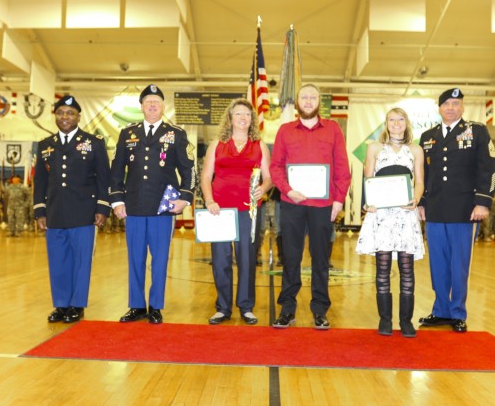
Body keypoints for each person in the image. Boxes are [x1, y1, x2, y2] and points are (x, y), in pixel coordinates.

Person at [110, 84, 196, 324]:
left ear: (163, 106)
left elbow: (188, 169)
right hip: (134, 206)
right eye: (147, 101)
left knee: (160, 259)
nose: (152, 105)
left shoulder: (176, 133)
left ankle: (156, 306)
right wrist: (117, 200)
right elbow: (116, 169)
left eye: (156, 101)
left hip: (163, 208)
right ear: (141, 106)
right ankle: (136, 306)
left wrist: (185, 198)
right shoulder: (128, 134)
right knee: (135, 258)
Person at [269, 84, 351, 330]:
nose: (308, 100)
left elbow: (342, 168)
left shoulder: (333, 129)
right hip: (292, 204)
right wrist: (288, 190)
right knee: (291, 257)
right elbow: (275, 167)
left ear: (319, 102)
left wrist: (338, 200)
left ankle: (319, 310)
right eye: (303, 97)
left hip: (323, 205)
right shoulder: (285, 131)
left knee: (321, 259)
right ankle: (287, 309)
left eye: (312, 97)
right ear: (297, 101)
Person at [417, 88, 495, 333]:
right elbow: (424, 175)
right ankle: (440, 310)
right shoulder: (427, 136)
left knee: (459, 263)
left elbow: (489, 168)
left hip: (465, 210)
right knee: (438, 263)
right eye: (447, 104)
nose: (451, 108)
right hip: (435, 210)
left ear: (462, 107)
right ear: (439, 108)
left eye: (456, 103)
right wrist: (421, 203)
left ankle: (457, 312)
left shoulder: (477, 131)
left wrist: (483, 201)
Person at [33, 95, 111, 324]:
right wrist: (40, 211)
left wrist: (102, 208)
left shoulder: (94, 142)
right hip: (55, 213)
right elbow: (41, 181)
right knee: (58, 261)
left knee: (80, 261)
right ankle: (61, 305)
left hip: (83, 212)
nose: (64, 117)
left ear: (78, 116)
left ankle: (77, 305)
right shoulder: (45, 145)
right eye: (60, 113)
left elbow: (103, 178)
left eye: (69, 113)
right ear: (55, 116)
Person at [200, 98, 272, 325]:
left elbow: (269, 176)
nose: (243, 118)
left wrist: (263, 188)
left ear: (252, 120)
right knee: (220, 258)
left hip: (248, 210)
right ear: (230, 118)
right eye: (238, 114)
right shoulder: (217, 144)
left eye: (247, 114)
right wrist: (209, 200)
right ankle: (222, 307)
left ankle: (246, 306)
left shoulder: (259, 145)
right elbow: (205, 176)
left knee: (247, 258)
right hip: (219, 210)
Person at [356, 108, 425, 337]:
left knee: (407, 269)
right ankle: (385, 320)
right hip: (381, 214)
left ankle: (406, 321)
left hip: (405, 214)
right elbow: (368, 178)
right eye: (392, 120)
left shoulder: (415, 150)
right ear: (385, 123)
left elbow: (420, 181)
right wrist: (368, 203)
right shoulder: (374, 147)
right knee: (383, 269)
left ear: (407, 123)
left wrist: (416, 199)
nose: (396, 123)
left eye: (401, 119)